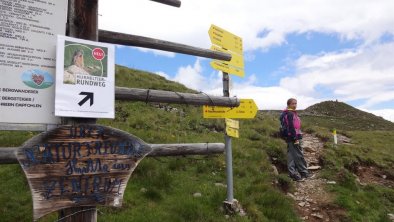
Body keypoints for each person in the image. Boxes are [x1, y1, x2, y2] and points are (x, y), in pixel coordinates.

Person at [280, 98, 309, 181]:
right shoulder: (289, 114)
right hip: (293, 137)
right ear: (288, 104)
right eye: (293, 103)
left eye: (296, 103)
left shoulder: (288, 113)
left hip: (291, 137)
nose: (295, 105)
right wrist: (295, 138)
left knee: (291, 156)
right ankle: (304, 172)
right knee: (299, 155)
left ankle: (292, 174)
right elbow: (291, 127)